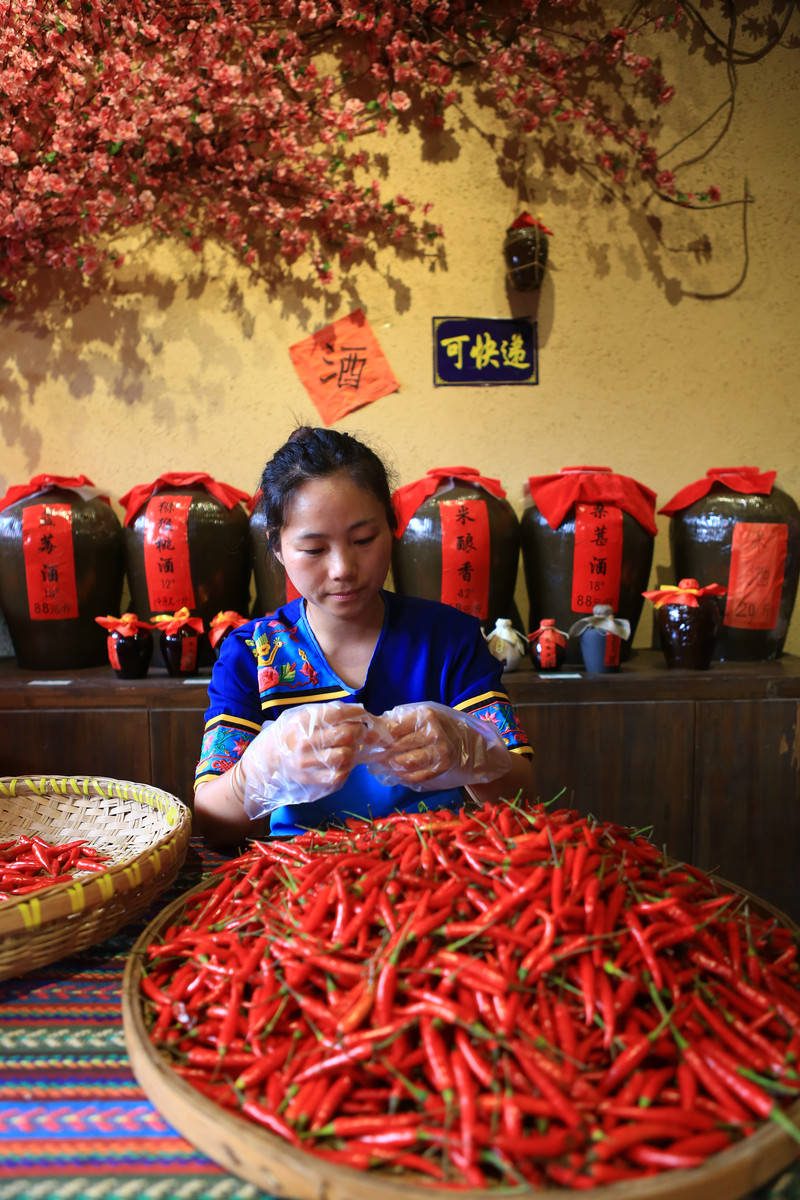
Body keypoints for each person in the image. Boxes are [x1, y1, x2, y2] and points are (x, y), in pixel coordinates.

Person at [193, 426, 534, 849]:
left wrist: (471, 753)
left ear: (392, 528)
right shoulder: (251, 654)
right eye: (314, 550)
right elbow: (212, 822)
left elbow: (524, 798)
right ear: (277, 549)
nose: (342, 569)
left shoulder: (448, 639)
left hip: (438, 871)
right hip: (305, 886)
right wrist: (255, 774)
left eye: (363, 539)